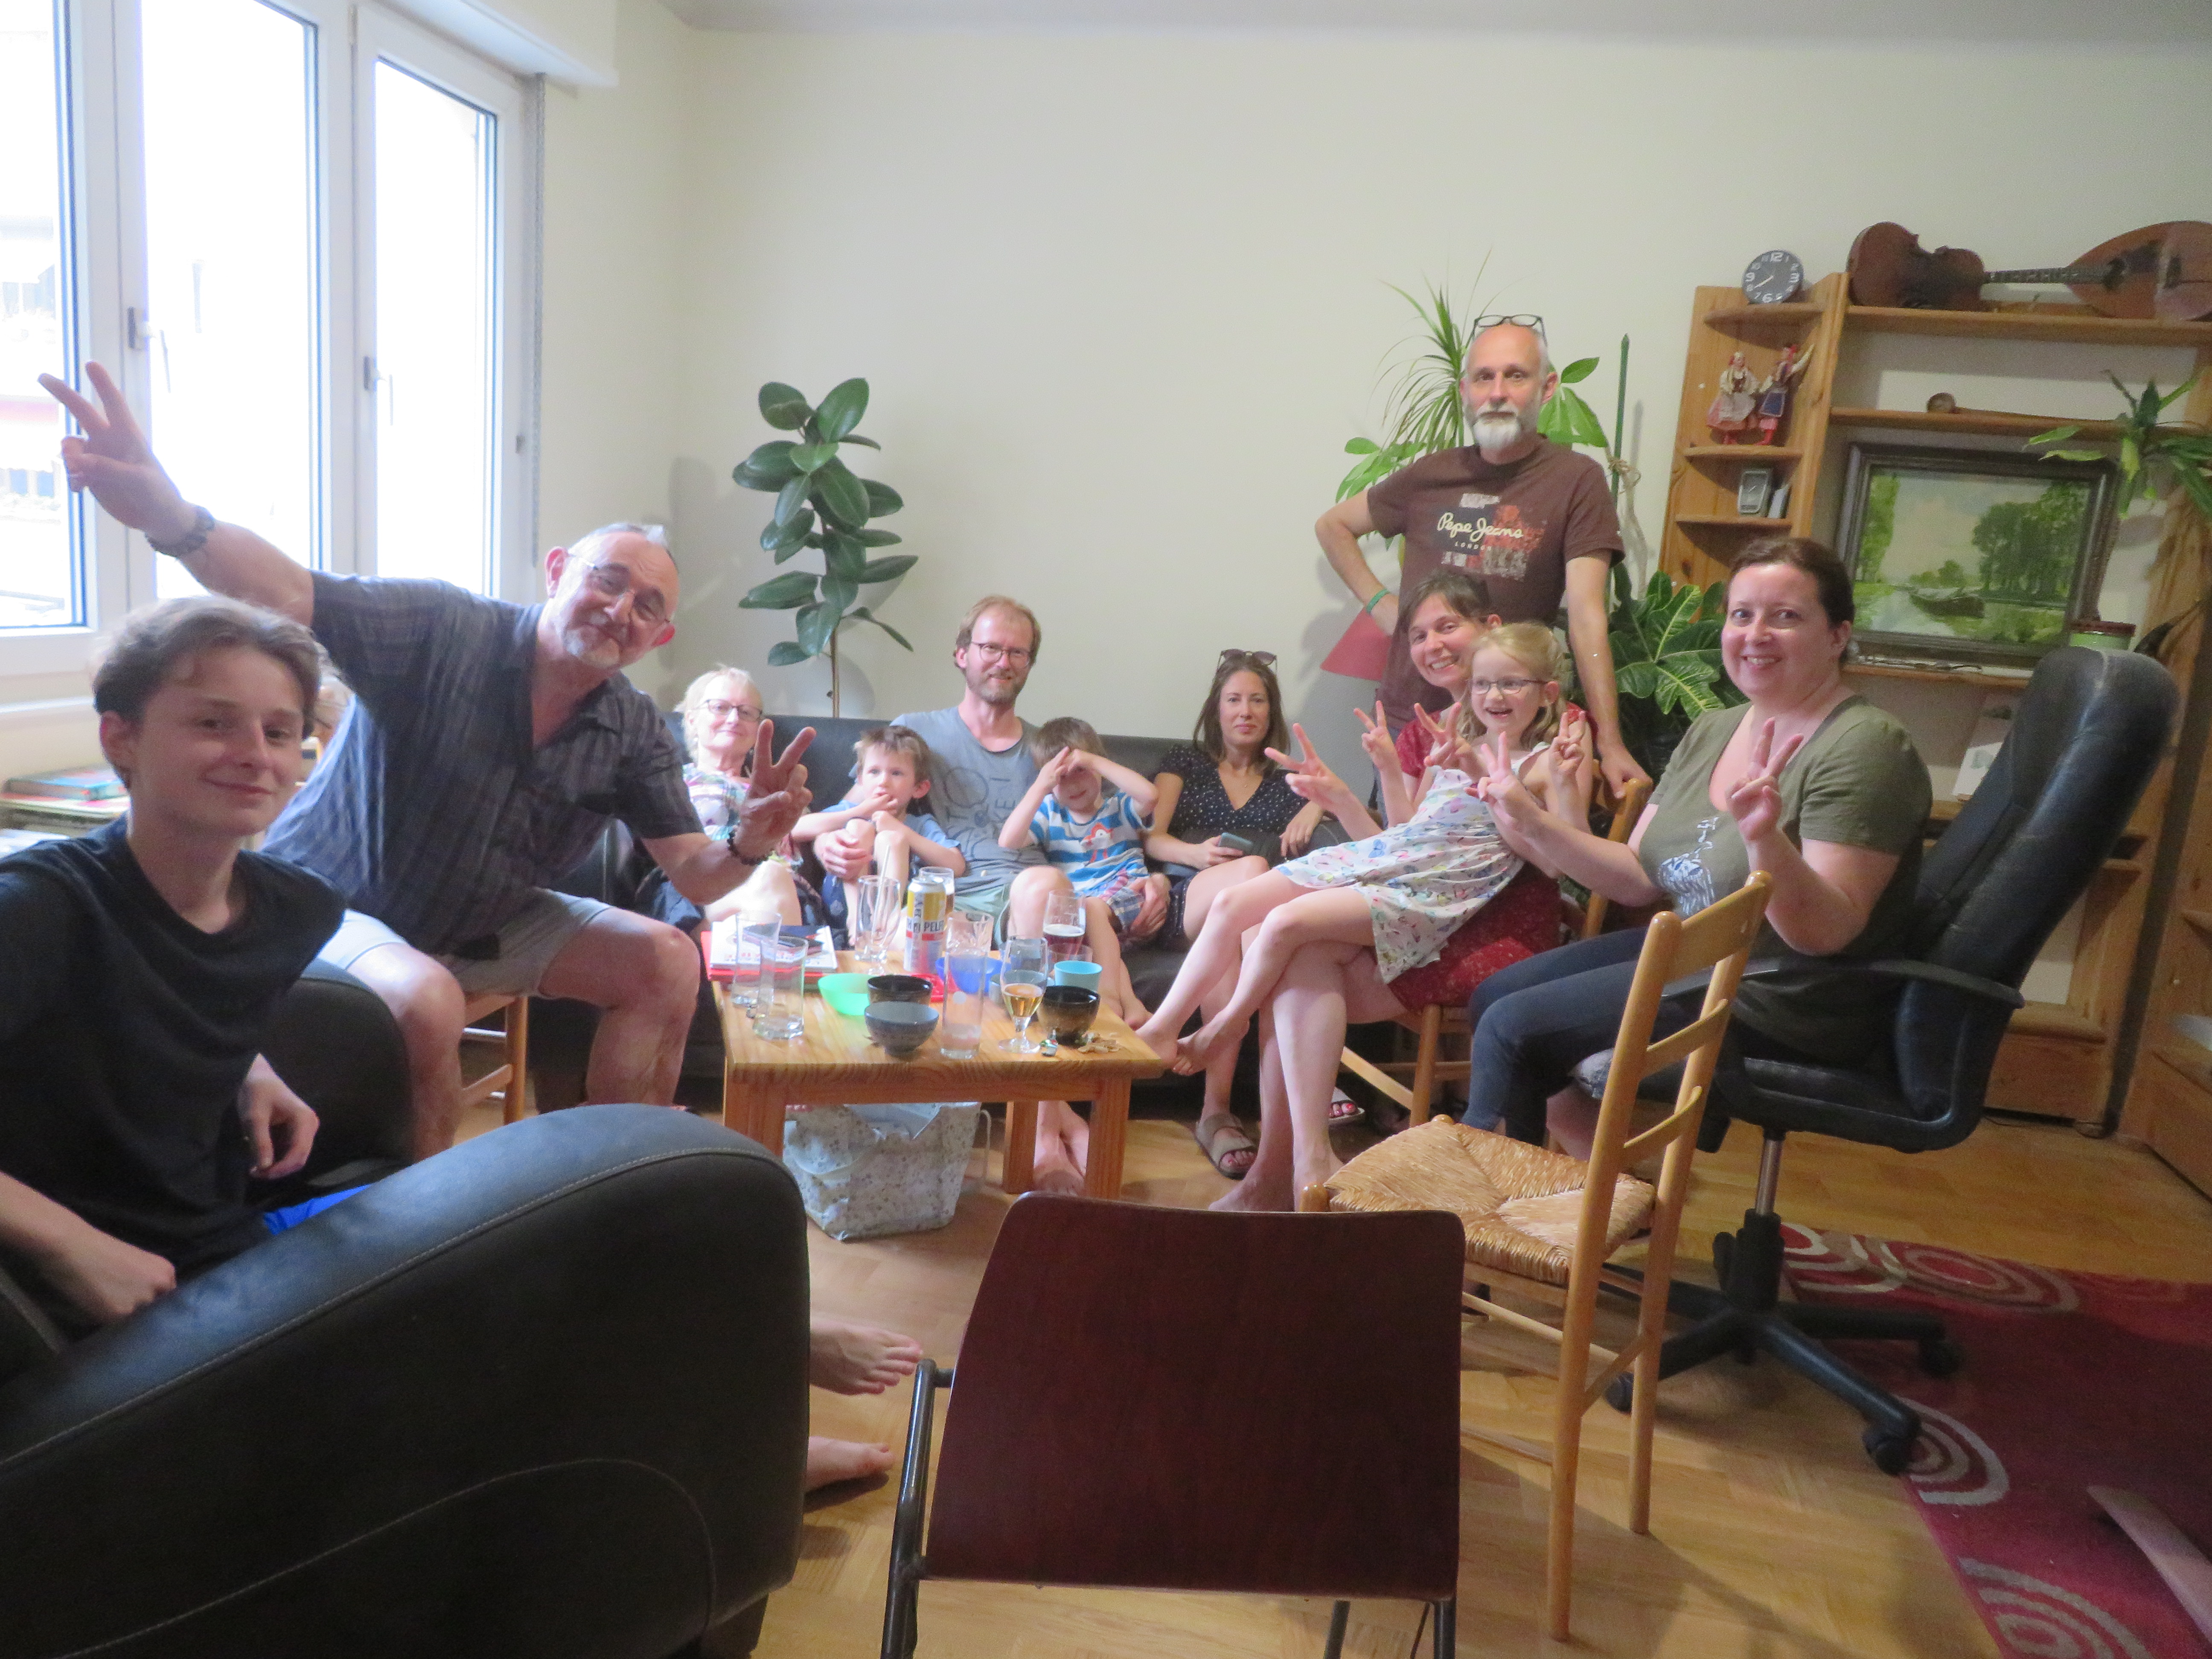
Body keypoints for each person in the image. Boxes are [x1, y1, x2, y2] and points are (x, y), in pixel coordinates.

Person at [41, 363, 814, 1162]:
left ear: (660, 638)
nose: (620, 610)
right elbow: (290, 592)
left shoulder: (632, 726)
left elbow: (696, 876)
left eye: (647, 607)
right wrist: (172, 519)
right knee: (429, 999)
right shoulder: (441, 628)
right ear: (557, 572)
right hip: (334, 903)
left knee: (667, 960)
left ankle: (614, 1178)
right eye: (606, 581)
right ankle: (433, 1220)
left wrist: (748, 843)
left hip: (489, 920)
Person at [1466, 537, 1932, 1152]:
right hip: (1699, 955)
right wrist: (1527, 816)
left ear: (1837, 635)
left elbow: (1825, 934)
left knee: (1513, 1027)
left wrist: (1764, 838)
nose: (1756, 634)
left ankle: (1488, 1190)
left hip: (1783, 993)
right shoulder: (1715, 728)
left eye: (1785, 616)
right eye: (1742, 614)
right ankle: (1593, 1185)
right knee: (1496, 996)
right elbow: (1637, 876)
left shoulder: (1865, 746)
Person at [1133, 628, 1575, 1205]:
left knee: (1284, 925)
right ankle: (1179, 1049)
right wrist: (1381, 774)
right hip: (1391, 861)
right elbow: (1408, 831)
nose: (1493, 696)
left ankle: (1229, 1026)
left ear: (1546, 692)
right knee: (1239, 908)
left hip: (1434, 891)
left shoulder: (1547, 762)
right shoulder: (1456, 746)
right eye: (1483, 684)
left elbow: (1559, 858)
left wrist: (1499, 789)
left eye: (1510, 684)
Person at [0, 597, 340, 1336]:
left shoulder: (298, 909)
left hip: (222, 1242)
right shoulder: (40, 909)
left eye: (279, 732)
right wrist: (68, 1244)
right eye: (214, 723)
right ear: (121, 738)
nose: (256, 755)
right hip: (76, 1292)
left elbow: (152, 995)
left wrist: (247, 1063)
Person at [817, 596, 1163, 1194]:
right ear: (962, 654)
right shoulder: (919, 730)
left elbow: (1107, 821)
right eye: (991, 647)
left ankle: (1040, 1133)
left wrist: (1152, 875)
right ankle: (1061, 1120)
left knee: (1041, 885)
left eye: (1017, 652)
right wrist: (829, 846)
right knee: (942, 928)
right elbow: (857, 807)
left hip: (1028, 892)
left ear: (1029, 664)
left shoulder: (1049, 749)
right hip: (945, 896)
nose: (1003, 661)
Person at [1313, 318, 1650, 799]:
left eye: (1516, 376)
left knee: (1499, 844)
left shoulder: (1576, 481)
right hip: (1413, 718)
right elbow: (1333, 527)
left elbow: (1586, 616)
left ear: (1547, 387)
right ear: (1464, 391)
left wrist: (1610, 742)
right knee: (1401, 842)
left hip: (1509, 726)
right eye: (1483, 377)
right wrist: (1384, 608)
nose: (1497, 393)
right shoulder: (1430, 474)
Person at [1144, 649, 1321, 1175]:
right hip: (1187, 897)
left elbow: (1341, 796)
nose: (1246, 711)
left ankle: (1216, 1112)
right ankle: (1282, 1091)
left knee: (1247, 921)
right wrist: (1194, 855)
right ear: (1216, 710)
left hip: (1238, 921)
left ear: (1271, 712)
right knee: (1254, 874)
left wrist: (1317, 804)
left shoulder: (1287, 781)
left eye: (1257, 701)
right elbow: (1153, 838)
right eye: (1234, 700)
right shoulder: (1185, 763)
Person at [999, 716, 1157, 1026]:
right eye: (1061, 778)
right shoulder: (1051, 813)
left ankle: (1109, 1000)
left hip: (1128, 890)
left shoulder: (1118, 807)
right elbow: (1009, 840)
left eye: (1081, 771)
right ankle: (1134, 1005)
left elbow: (1151, 796)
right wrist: (1041, 786)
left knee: (1093, 910)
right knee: (1092, 937)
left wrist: (1094, 760)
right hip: (1084, 908)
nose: (1072, 785)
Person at [678, 665, 815, 926]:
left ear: (757, 730)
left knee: (770, 879)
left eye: (746, 712)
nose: (733, 719)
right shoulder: (670, 780)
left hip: (780, 891)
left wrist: (831, 841)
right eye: (720, 707)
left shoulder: (776, 788)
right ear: (692, 719)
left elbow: (809, 830)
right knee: (770, 878)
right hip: (693, 891)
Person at [792, 725, 964, 916]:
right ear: (860, 779)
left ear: (919, 788)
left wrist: (901, 830)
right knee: (858, 827)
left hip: (897, 913)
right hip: (841, 907)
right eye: (874, 772)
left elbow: (956, 866)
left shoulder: (919, 825)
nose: (883, 781)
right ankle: (858, 918)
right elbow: (794, 828)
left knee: (892, 839)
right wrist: (860, 812)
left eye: (896, 773)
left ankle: (883, 920)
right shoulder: (850, 811)